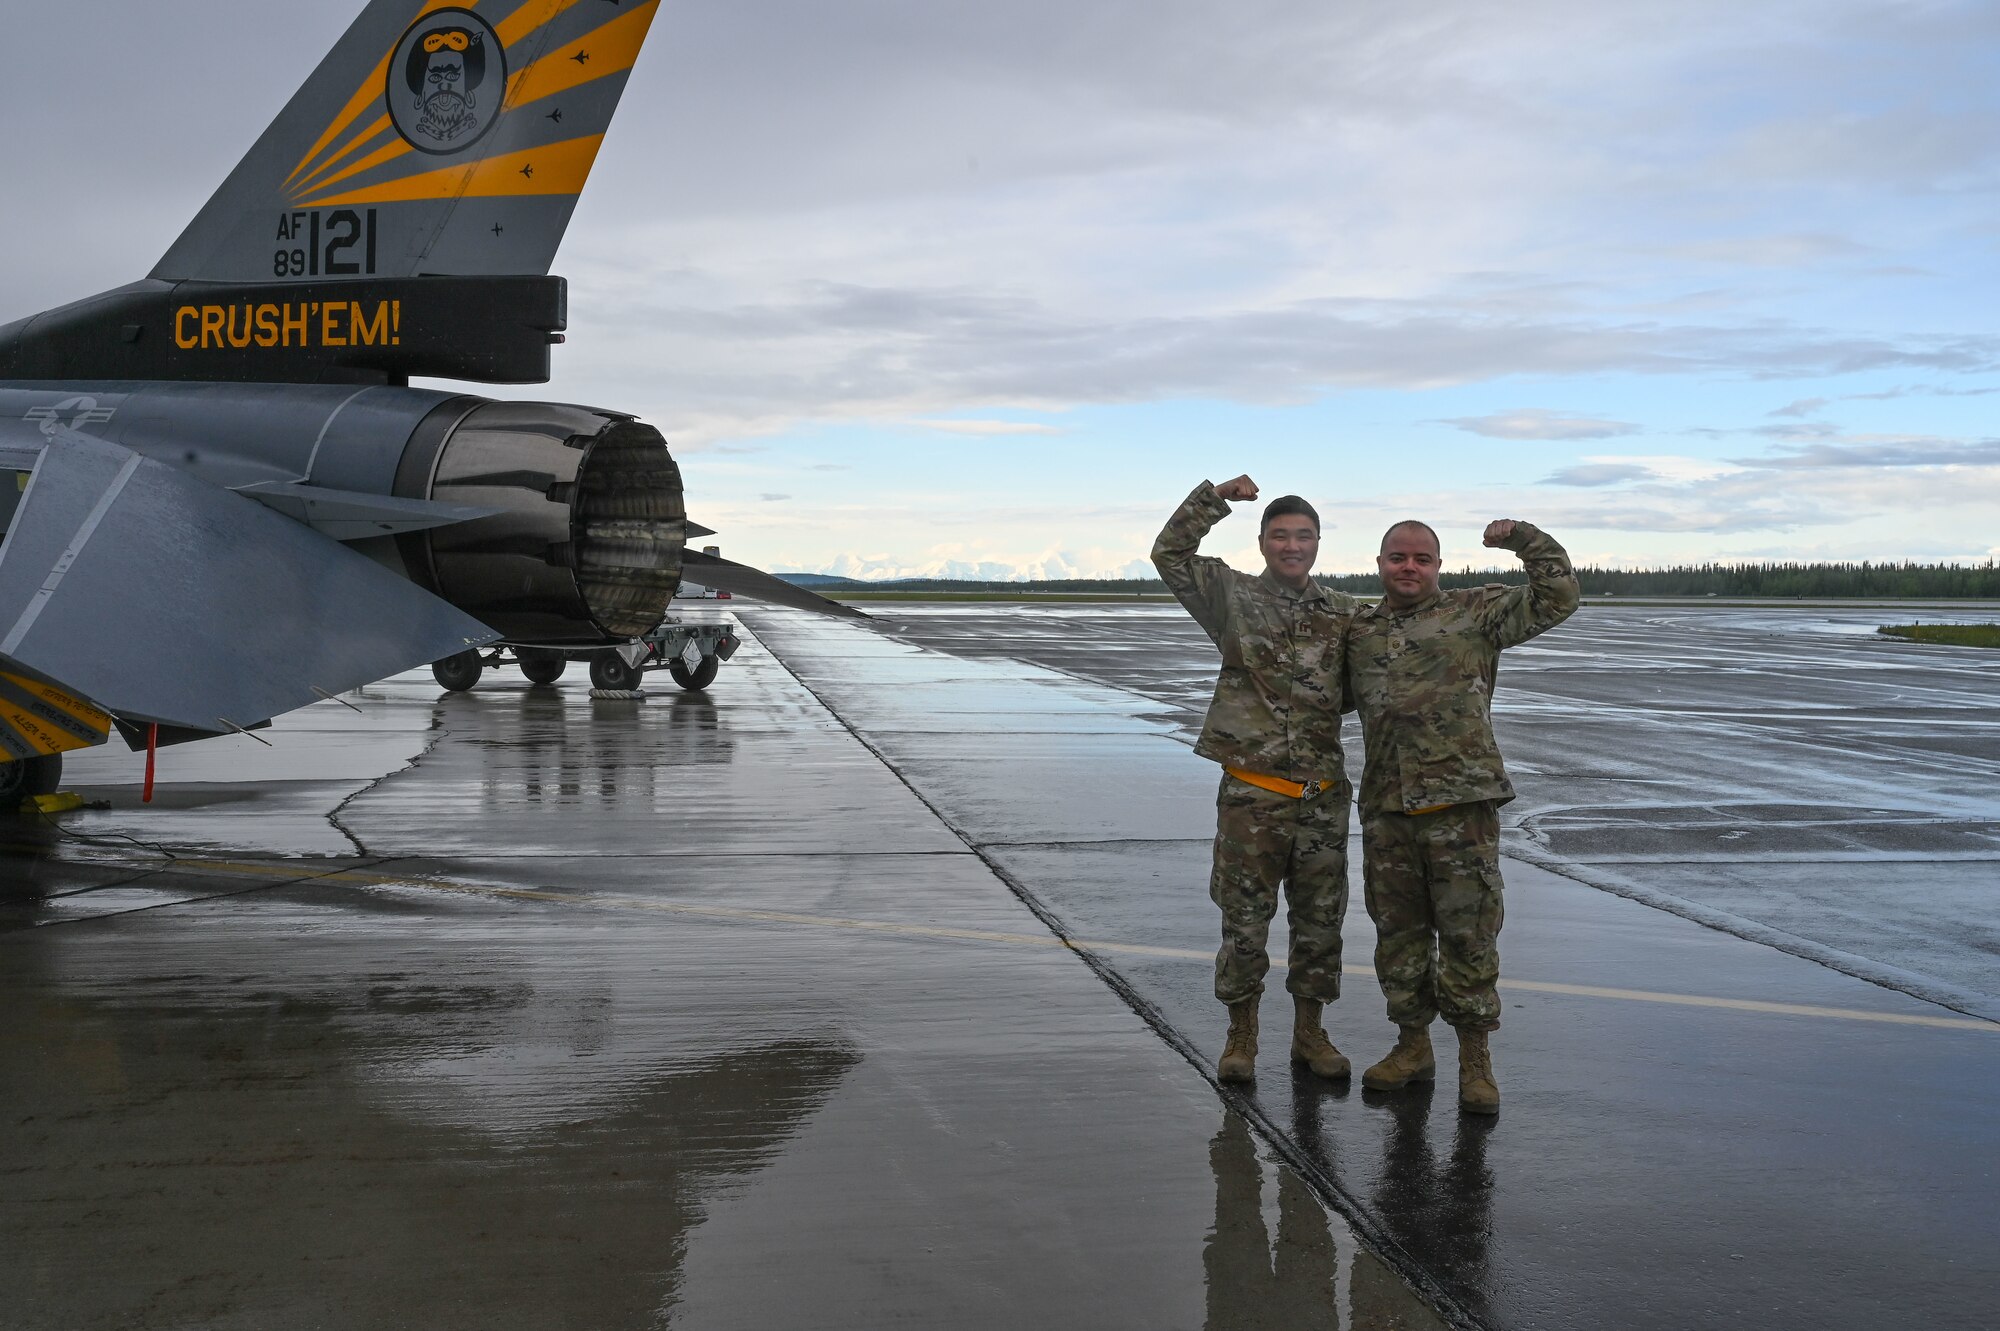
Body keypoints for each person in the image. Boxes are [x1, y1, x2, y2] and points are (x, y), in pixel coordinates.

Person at [1346, 518, 1578, 1113]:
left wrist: (1525, 540)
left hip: (1461, 808)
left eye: (1422, 558)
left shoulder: (1478, 613)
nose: (1409, 567)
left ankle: (1476, 1062)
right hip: (1388, 809)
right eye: (1398, 557)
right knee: (1397, 938)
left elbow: (1558, 597)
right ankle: (1412, 1046)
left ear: (1438, 565)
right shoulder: (1359, 630)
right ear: (1380, 562)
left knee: (1469, 935)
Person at [1152, 476, 1358, 1084]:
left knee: (1321, 922)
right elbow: (1170, 554)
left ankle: (1310, 1033)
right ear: (1263, 542)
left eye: (1303, 536)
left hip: (1321, 798)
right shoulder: (1231, 596)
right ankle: (1241, 1035)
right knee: (1244, 921)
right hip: (1252, 793)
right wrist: (1213, 498)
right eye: (1280, 535)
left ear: (1318, 543)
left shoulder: (1345, 614)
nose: (1292, 546)